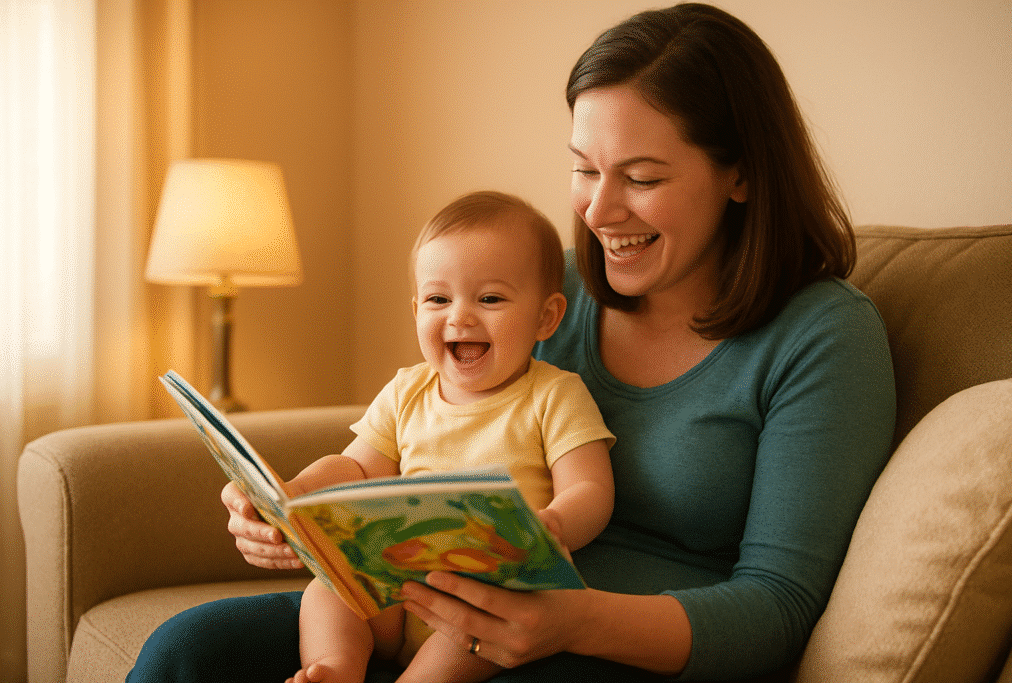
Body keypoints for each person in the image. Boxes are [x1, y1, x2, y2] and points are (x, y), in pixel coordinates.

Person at [127, 4, 896, 681]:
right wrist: (299, 511)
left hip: (617, 647)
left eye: (642, 177)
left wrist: (573, 619)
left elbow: (780, 604)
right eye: (584, 169)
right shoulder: (539, 293)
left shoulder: (821, 335)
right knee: (187, 650)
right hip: (437, 598)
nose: (600, 209)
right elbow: (409, 443)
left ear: (741, 174)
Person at [282, 191, 615, 683]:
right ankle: (336, 668)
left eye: (491, 299)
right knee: (328, 587)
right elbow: (355, 467)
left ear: (546, 317)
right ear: (416, 308)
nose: (459, 317)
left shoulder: (553, 395)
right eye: (438, 299)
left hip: (487, 597)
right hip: (399, 589)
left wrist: (553, 525)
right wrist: (295, 491)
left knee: (485, 625)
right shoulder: (406, 389)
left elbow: (591, 488)